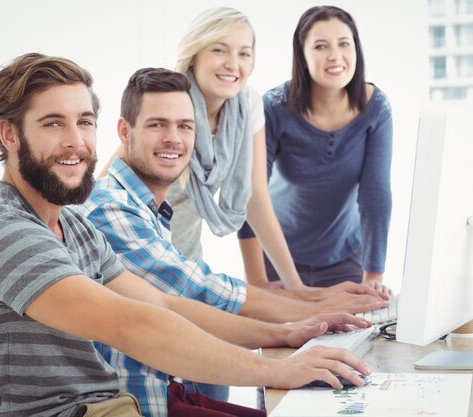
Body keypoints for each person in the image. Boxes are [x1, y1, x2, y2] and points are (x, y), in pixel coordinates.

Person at [0, 52, 372, 417]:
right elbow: (132, 324)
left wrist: (286, 334)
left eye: (85, 122)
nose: (76, 142)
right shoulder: (6, 234)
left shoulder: (71, 225)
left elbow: (164, 303)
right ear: (9, 133)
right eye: (54, 124)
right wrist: (277, 370)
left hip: (105, 406)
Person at [80, 67, 385, 417]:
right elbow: (198, 291)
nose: (174, 138)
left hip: (165, 391)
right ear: (124, 131)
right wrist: (302, 315)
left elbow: (187, 297)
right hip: (142, 404)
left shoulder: (145, 209)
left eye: (185, 126)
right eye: (157, 124)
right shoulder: (109, 208)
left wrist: (297, 321)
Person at [98, 7, 383, 300]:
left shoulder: (246, 104)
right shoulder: (170, 103)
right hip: (135, 261)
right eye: (220, 50)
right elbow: (105, 188)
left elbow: (255, 198)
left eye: (244, 53)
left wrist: (295, 287)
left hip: (186, 261)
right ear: (195, 55)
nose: (233, 64)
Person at [238, 6, 393, 292]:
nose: (335, 56)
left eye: (344, 44)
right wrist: (257, 281)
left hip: (345, 257)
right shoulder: (273, 108)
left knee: (350, 335)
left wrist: (374, 274)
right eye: (321, 46)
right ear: (303, 55)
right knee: (284, 337)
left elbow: (376, 194)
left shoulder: (375, 108)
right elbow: (250, 193)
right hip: (278, 255)